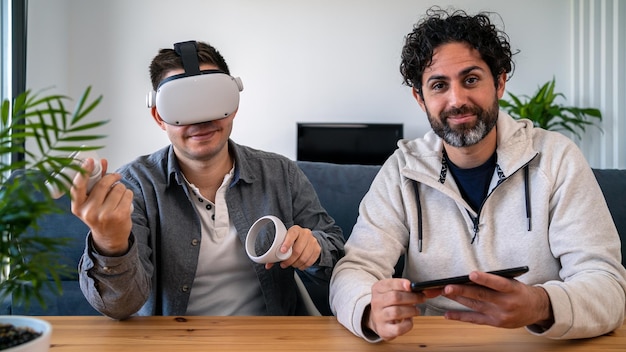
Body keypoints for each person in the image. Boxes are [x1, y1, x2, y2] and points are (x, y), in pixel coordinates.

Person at [329, 7, 626, 342]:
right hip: (434, 344)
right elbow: (353, 271)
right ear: (420, 97)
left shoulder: (557, 159)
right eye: (439, 85)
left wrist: (542, 305)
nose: (457, 100)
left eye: (471, 80)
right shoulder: (402, 170)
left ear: (499, 82)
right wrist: (369, 309)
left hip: (536, 343)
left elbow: (608, 286)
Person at [70, 40, 345, 319]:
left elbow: (337, 257)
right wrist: (111, 243)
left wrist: (314, 249)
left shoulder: (281, 174)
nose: (201, 120)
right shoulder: (136, 186)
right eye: (182, 105)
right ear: (159, 116)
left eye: (212, 99)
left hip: (270, 339)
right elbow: (119, 306)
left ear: (233, 104)